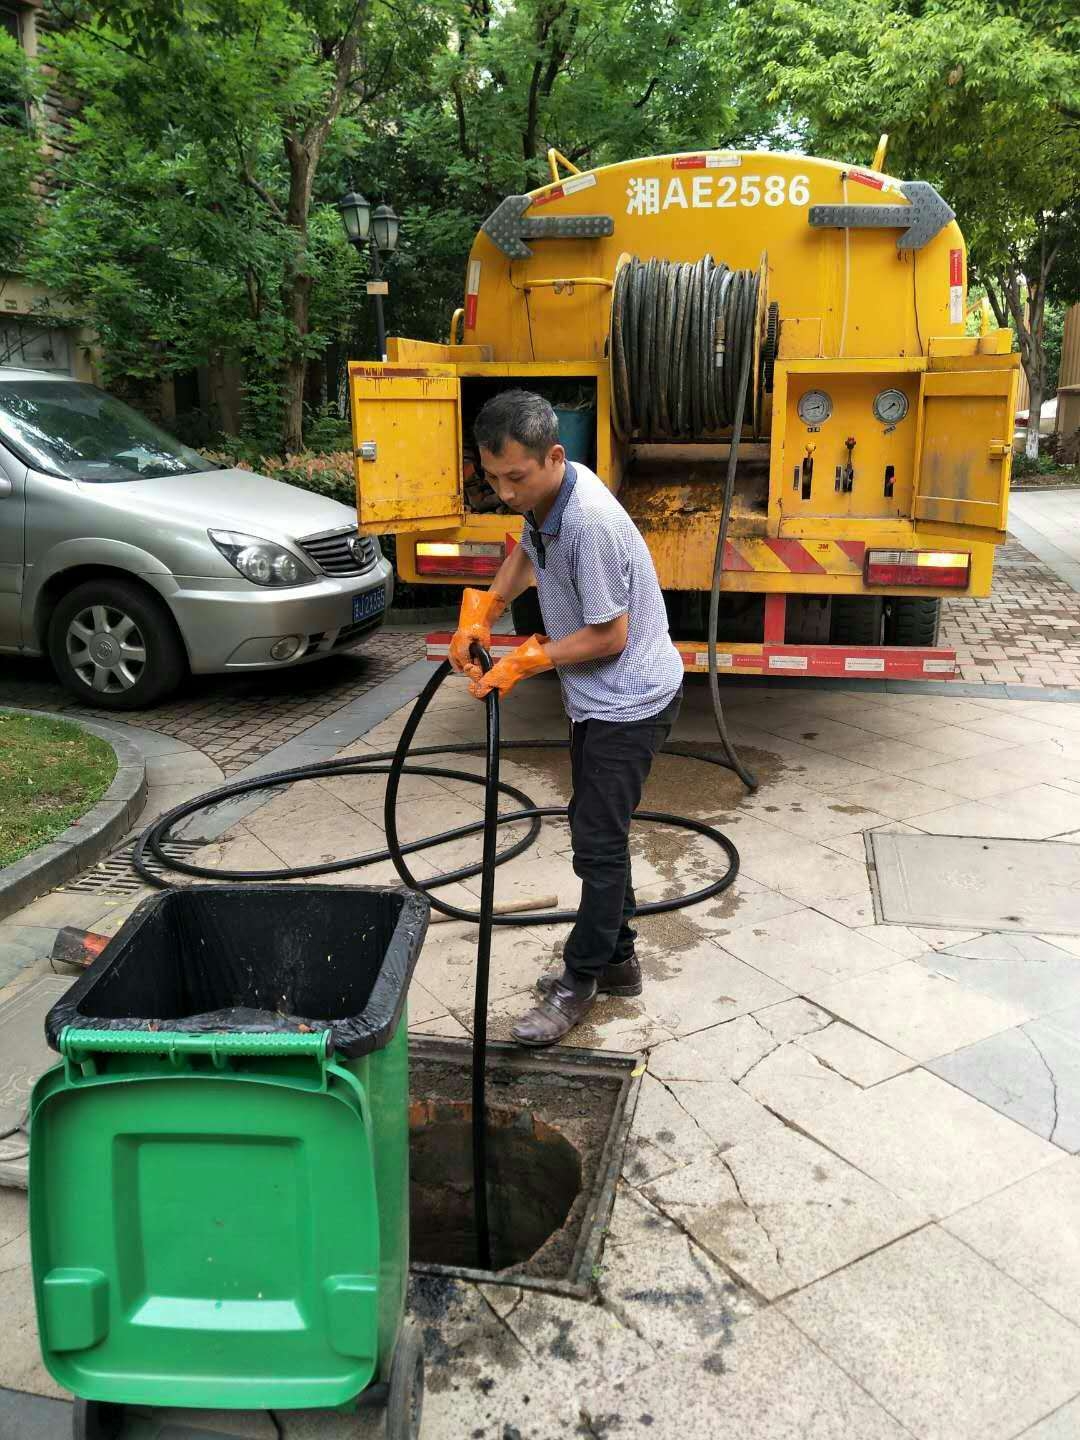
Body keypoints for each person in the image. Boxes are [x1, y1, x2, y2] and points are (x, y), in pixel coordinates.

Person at [448, 389, 684, 1046]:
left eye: (515, 477)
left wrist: (525, 661)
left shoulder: (590, 524)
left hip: (630, 702)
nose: (504, 491)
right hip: (598, 700)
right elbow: (527, 547)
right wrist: (484, 613)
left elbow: (609, 635)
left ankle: (578, 980)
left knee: (597, 846)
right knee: (597, 833)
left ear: (553, 456)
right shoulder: (550, 497)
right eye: (491, 478)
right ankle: (621, 960)